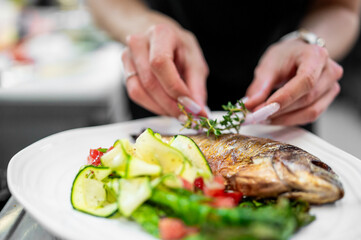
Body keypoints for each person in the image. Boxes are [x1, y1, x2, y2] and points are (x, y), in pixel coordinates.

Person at [87, 0, 360, 130]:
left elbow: (343, 7)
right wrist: (145, 28)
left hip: (286, 98)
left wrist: (309, 42)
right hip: (163, 85)